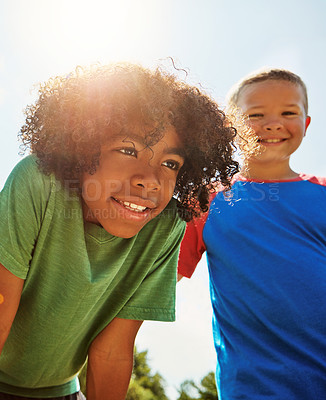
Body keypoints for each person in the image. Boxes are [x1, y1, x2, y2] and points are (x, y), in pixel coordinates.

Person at [0, 63, 243, 400]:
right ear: (81, 148)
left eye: (170, 163)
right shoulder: (38, 183)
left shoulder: (166, 225)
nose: (151, 179)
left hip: (57, 391)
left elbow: (112, 350)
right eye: (128, 150)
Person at [178, 68, 326, 399]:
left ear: (306, 123)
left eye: (289, 112)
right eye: (256, 114)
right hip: (254, 388)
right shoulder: (206, 201)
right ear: (230, 127)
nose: (273, 123)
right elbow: (155, 278)